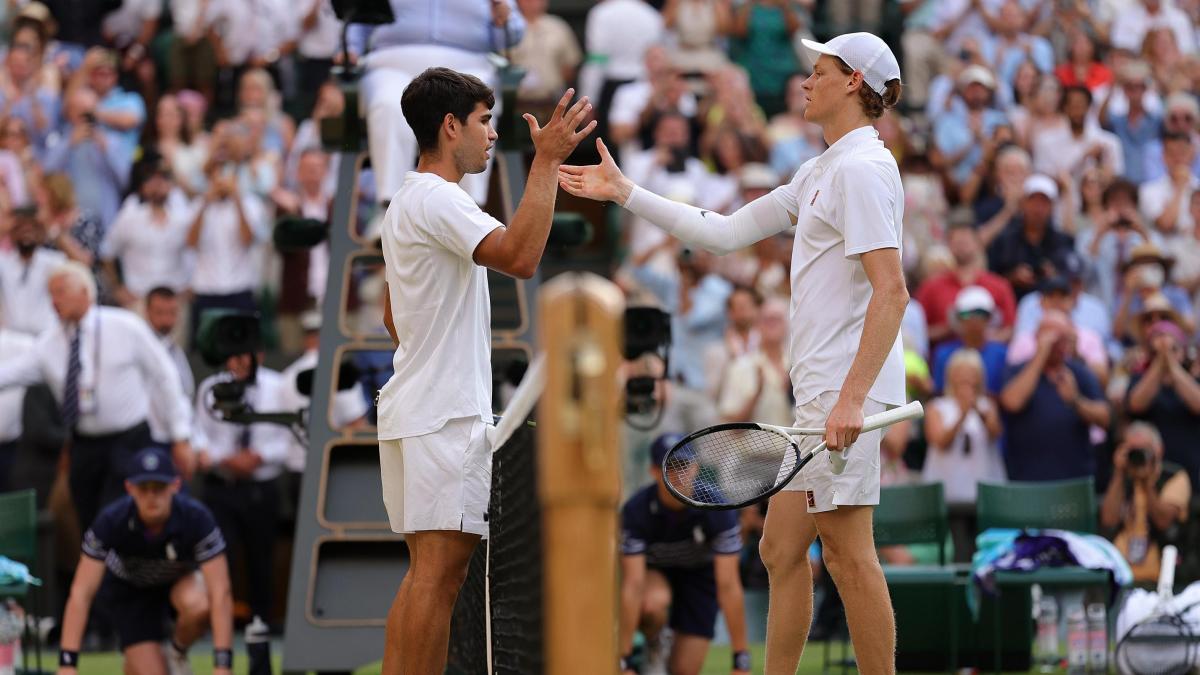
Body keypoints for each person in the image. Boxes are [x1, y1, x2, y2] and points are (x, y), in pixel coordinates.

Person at [560, 31, 907, 675]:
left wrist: (853, 398)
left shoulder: (861, 168)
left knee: (848, 553)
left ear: (853, 82)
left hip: (844, 392)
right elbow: (723, 235)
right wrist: (624, 193)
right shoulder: (821, 168)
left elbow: (892, 292)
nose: (805, 81)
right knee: (778, 549)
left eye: (819, 70)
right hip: (819, 393)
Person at [375, 68, 593, 674]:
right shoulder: (440, 198)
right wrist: (545, 162)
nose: (492, 135)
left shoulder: (405, 202)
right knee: (438, 578)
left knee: (427, 574)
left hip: (417, 409)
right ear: (450, 127)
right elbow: (521, 256)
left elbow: (393, 314)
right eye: (482, 121)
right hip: (442, 415)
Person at [0, 261, 194, 530]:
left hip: (129, 440)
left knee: (117, 518)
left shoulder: (125, 326)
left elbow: (165, 375)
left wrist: (180, 435)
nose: (54, 301)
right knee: (88, 520)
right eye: (50, 294)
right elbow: (9, 374)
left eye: (60, 291)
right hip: (84, 445)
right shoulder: (48, 344)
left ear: (85, 292)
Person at [56, 448, 233, 675]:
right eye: (144, 488)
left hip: (179, 584)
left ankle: (177, 652)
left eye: (159, 488)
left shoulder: (197, 518)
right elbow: (81, 592)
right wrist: (67, 664)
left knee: (200, 604)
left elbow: (221, 592)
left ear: (175, 486)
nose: (151, 497)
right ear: (130, 488)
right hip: (131, 592)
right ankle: (137, 656)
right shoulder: (111, 521)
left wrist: (222, 665)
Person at [346, 0, 525, 207]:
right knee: (388, 105)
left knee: (472, 107)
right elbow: (356, 19)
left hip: (468, 62)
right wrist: (351, 49)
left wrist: (503, 20)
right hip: (392, 62)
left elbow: (511, 36)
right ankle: (391, 209)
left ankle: (468, 209)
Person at [619, 434, 750, 675]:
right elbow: (633, 584)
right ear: (653, 471)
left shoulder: (718, 508)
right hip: (655, 575)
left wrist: (740, 658)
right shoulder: (636, 511)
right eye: (669, 467)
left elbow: (729, 584)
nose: (678, 474)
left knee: (685, 669)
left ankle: (665, 651)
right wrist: (623, 659)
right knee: (652, 603)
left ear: (695, 467)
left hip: (700, 579)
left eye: (683, 465)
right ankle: (652, 647)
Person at [192, 350, 291, 634]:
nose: (242, 362)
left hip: (262, 486)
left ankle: (261, 621)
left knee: (262, 557)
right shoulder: (210, 388)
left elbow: (290, 438)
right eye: (235, 354)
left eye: (248, 354)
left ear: (260, 355)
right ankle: (220, 620)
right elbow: (198, 435)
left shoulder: (278, 385)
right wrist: (225, 458)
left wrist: (260, 455)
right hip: (222, 486)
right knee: (219, 557)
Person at [999, 310, 1111, 481]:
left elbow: (1105, 418)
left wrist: (1075, 401)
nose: (1059, 344)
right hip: (1026, 481)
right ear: (1037, 337)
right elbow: (1012, 402)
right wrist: (1041, 355)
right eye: (1053, 337)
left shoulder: (1079, 373)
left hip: (1073, 481)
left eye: (1063, 338)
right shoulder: (1017, 370)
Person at [1100, 422, 1191, 584]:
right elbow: (1108, 520)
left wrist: (1146, 483)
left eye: (1143, 450)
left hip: (1162, 577)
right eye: (1132, 451)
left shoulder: (1174, 476)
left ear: (1159, 450)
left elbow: (1163, 522)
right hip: (1122, 574)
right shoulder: (1123, 478)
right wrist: (1119, 474)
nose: (1138, 456)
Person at [922, 348, 1005, 506]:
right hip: (946, 487)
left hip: (983, 487)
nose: (966, 378)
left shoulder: (987, 406)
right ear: (950, 375)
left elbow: (995, 433)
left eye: (971, 373)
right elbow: (939, 441)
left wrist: (977, 410)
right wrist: (962, 416)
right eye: (961, 373)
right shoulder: (936, 407)